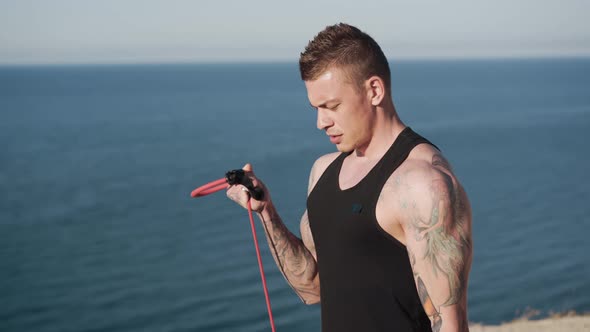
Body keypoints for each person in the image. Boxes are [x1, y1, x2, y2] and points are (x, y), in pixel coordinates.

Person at [226, 23, 473, 332]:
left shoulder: (422, 184)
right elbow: (311, 287)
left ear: (374, 90)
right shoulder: (323, 171)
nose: (320, 122)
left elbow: (449, 324)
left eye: (332, 106)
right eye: (316, 108)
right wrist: (266, 213)